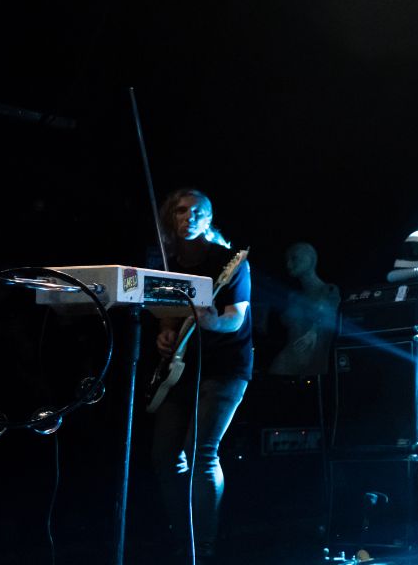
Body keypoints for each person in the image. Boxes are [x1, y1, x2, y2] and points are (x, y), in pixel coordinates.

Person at [149, 189, 253, 562]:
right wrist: (165, 334)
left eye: (198, 212)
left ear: (208, 220)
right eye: (182, 211)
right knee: (165, 456)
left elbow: (235, 317)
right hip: (182, 368)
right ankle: (184, 538)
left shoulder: (230, 262)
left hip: (225, 368)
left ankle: (204, 544)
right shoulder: (170, 262)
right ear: (172, 217)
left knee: (201, 452)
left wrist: (213, 322)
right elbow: (168, 314)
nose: (189, 218)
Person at [267, 242, 339, 375]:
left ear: (311, 259)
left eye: (294, 258)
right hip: (292, 358)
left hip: (313, 361)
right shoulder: (294, 297)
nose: (289, 265)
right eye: (287, 260)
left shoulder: (328, 290)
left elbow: (327, 317)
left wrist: (313, 332)